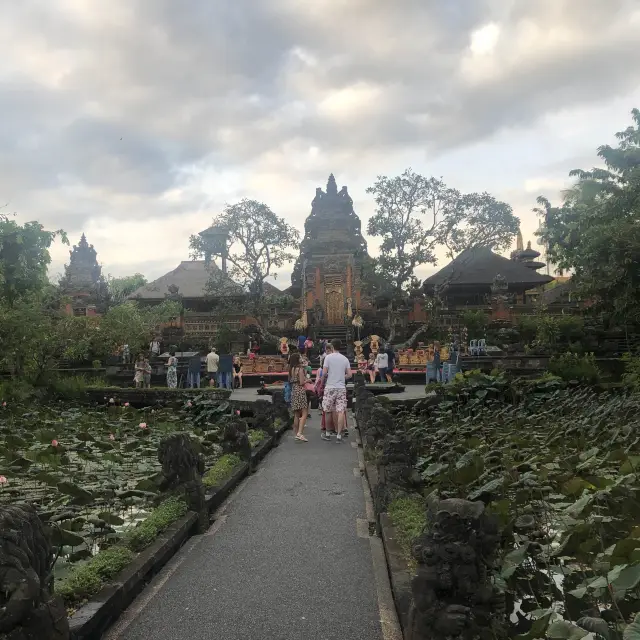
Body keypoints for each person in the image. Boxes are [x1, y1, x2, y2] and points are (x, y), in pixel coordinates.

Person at [321, 339, 351, 442]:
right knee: (341, 411)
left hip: (330, 387)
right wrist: (341, 377)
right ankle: (339, 435)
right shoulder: (345, 359)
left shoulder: (328, 357)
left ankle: (328, 433)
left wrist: (327, 378)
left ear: (332, 347)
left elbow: (324, 373)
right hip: (341, 387)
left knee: (328, 410)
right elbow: (350, 375)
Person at [288, 353, 309, 442]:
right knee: (304, 413)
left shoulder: (291, 369)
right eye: (300, 357)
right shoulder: (300, 369)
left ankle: (296, 432)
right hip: (300, 391)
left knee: (296, 414)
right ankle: (300, 433)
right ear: (297, 359)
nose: (301, 358)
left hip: (294, 391)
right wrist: (308, 380)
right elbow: (301, 382)